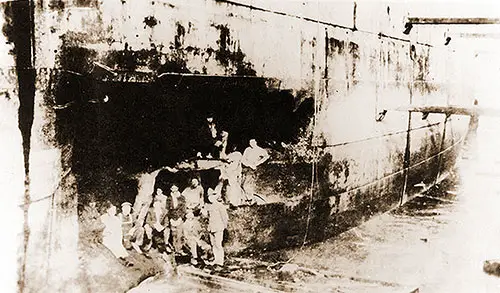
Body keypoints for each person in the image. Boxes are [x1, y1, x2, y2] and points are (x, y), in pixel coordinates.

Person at [100, 202, 133, 266]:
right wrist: (106, 233)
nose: (113, 212)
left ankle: (126, 259)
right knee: (113, 247)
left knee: (119, 246)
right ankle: (121, 260)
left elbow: (119, 230)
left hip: (115, 237)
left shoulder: (116, 219)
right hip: (107, 236)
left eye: (114, 210)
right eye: (112, 210)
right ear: (107, 210)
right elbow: (101, 228)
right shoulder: (103, 217)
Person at [204, 188, 229, 268]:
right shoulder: (208, 206)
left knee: (218, 244)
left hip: (218, 227)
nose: (210, 198)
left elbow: (225, 217)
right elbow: (206, 217)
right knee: (213, 244)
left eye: (212, 196)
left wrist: (224, 227)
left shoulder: (220, 206)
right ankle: (216, 259)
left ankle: (220, 261)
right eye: (209, 196)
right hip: (211, 227)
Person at [241, 139, 270, 204]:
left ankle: (250, 199)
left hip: (252, 170)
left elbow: (266, 156)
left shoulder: (260, 150)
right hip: (245, 168)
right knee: (241, 184)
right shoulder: (248, 149)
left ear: (256, 142)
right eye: (250, 143)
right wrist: (248, 164)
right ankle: (246, 198)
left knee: (247, 185)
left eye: (253, 142)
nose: (251, 144)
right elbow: (243, 159)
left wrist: (258, 163)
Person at [167, 184, 186, 254]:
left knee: (180, 235)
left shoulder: (182, 198)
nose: (174, 190)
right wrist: (170, 218)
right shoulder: (169, 198)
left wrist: (181, 217)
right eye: (172, 188)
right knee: (174, 234)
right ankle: (175, 250)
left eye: (175, 188)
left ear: (177, 188)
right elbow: (167, 209)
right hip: (172, 219)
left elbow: (184, 209)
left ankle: (180, 249)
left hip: (179, 219)